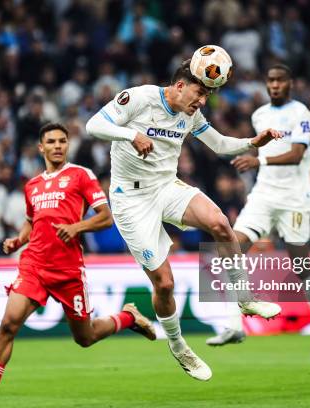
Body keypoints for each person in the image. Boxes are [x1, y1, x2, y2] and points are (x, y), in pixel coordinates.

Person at [86, 59, 283, 381]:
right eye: (200, 93)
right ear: (180, 85)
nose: (202, 102)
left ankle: (245, 298)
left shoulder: (191, 115)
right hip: (131, 201)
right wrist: (129, 135)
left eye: (206, 96)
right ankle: (179, 347)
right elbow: (94, 125)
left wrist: (251, 142)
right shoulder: (140, 97)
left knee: (220, 223)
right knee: (164, 284)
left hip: (166, 186)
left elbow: (219, 144)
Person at [0, 123, 155, 408]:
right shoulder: (32, 185)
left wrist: (76, 227)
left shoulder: (81, 176)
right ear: (41, 148)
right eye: (51, 141)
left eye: (62, 141)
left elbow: (105, 217)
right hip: (34, 265)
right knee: (8, 325)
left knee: (85, 338)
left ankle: (128, 318)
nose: (58, 145)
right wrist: (18, 240)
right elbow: (31, 219)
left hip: (68, 270)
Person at [207, 64, 310, 362]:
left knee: (300, 264)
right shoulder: (259, 115)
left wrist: (258, 161)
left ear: (290, 83)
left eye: (279, 80)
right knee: (230, 246)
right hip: (264, 195)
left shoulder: (301, 113)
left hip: (294, 198)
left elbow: (297, 154)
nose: (274, 85)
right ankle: (235, 326)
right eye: (270, 81)